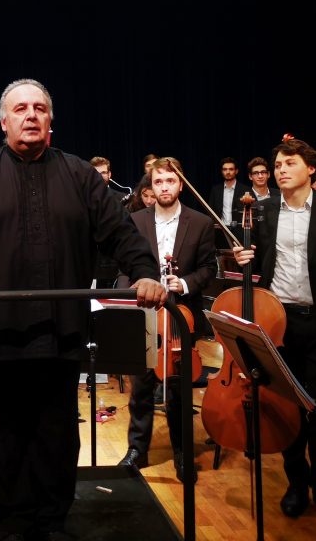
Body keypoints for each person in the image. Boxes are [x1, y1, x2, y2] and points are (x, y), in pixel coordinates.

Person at [0, 79, 165, 541]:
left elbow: (120, 232)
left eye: (39, 108)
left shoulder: (79, 174)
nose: (31, 115)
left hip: (63, 331)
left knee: (57, 430)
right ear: (4, 122)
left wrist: (144, 271)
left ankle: (53, 520)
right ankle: (15, 522)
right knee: (5, 431)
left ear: (51, 120)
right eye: (20, 109)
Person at [233, 137, 316, 524]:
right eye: (278, 165)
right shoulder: (264, 210)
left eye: (290, 163)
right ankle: (296, 484)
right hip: (279, 321)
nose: (281, 170)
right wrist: (244, 257)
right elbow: (259, 263)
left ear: (311, 169)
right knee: (288, 409)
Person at [118, 158, 215, 482]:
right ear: (151, 186)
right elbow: (124, 267)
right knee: (141, 387)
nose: (164, 187)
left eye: (170, 181)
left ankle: (182, 452)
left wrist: (184, 283)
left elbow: (208, 269)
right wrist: (130, 291)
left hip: (181, 316)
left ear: (180, 185)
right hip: (145, 314)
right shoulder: (135, 220)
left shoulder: (200, 223)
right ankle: (137, 449)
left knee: (178, 391)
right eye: (158, 181)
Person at [210, 157, 250, 228]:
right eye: (225, 169)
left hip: (239, 230)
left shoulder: (245, 190)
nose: (228, 172)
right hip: (220, 230)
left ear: (236, 171)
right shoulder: (215, 190)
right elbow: (211, 210)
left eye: (231, 169)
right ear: (222, 171)